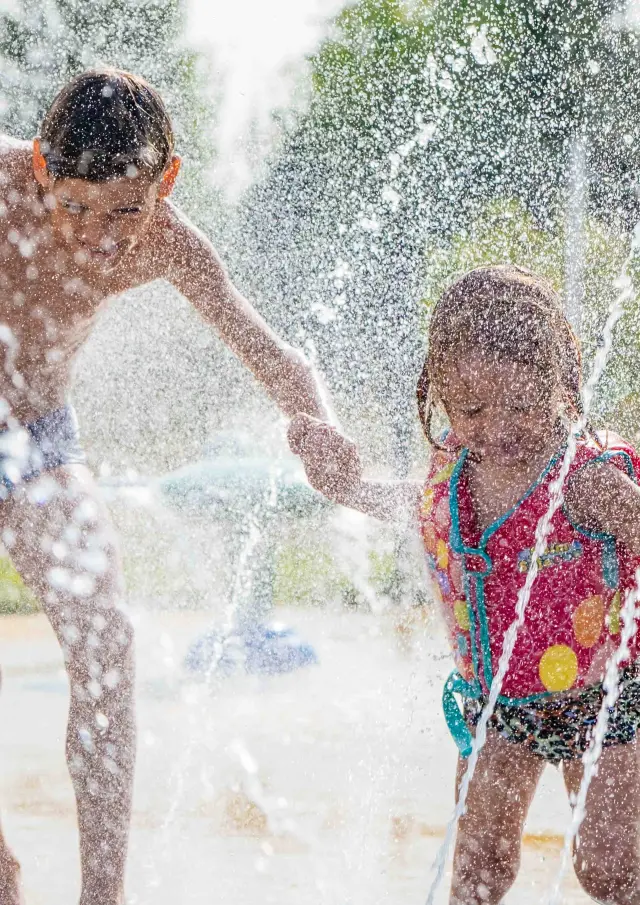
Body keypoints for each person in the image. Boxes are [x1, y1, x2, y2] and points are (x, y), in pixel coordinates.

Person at [0, 68, 333, 905]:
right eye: (74, 206)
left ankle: (101, 897)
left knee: (108, 643)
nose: (99, 238)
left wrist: (322, 435)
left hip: (35, 436)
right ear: (42, 167)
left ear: (165, 182)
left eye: (125, 211)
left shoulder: (168, 241)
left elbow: (276, 358)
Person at [288, 264, 640, 905]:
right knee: (479, 868)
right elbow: (421, 507)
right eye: (472, 409)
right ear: (439, 389)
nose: (496, 428)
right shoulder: (457, 467)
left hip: (604, 700)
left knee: (611, 867)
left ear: (559, 382)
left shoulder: (584, 478)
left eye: (524, 406)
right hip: (499, 705)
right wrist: (344, 488)